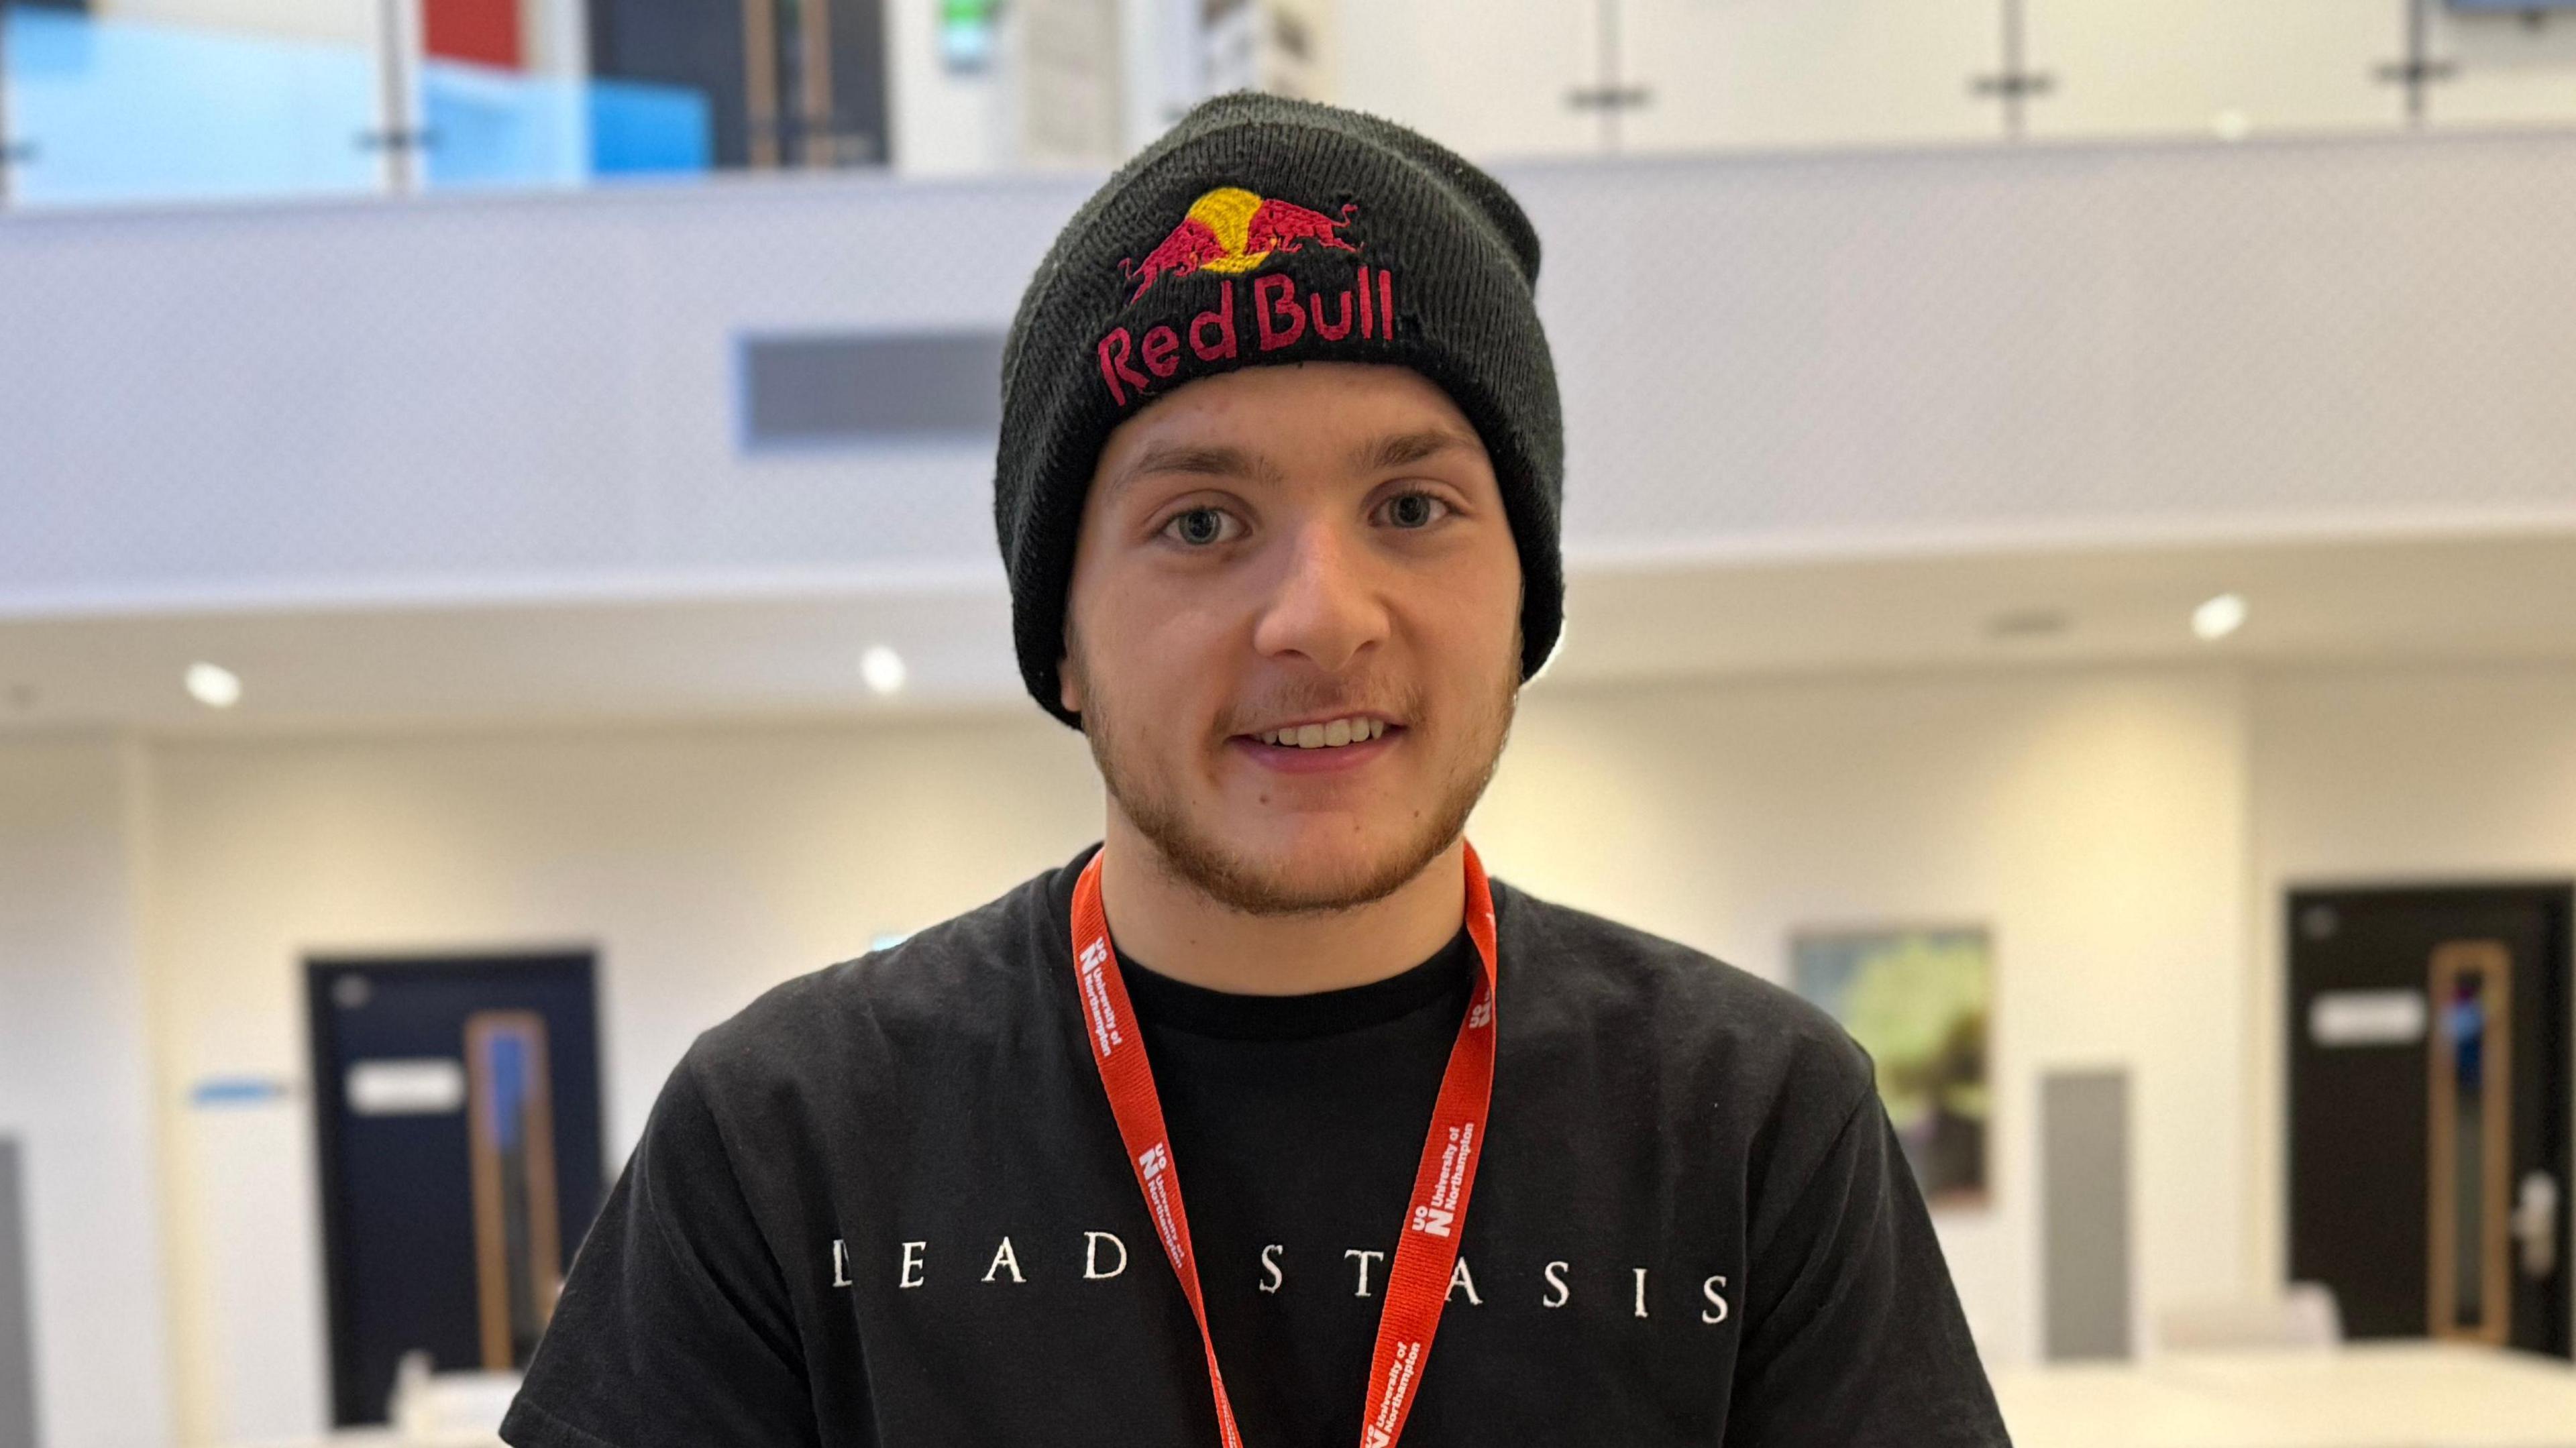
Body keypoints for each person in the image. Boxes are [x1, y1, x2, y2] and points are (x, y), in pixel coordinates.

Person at [500, 93, 2009, 1448]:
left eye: (1413, 506)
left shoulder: (1753, 1128)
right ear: (1065, 638)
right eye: (1203, 523)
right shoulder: (789, 1137)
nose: (1321, 618)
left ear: (1525, 608)